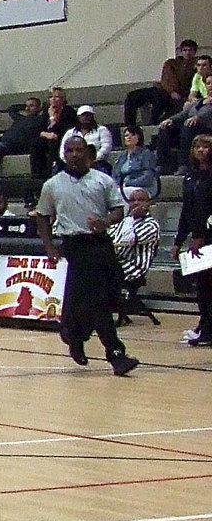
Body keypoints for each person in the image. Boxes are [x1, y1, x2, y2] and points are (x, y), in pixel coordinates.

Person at [34, 135, 138, 375]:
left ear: (87, 153)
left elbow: (118, 210)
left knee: (103, 296)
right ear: (64, 153)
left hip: (100, 244)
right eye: (69, 150)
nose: (74, 154)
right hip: (75, 245)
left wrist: (105, 222)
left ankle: (74, 335)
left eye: (79, 150)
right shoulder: (53, 184)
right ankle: (115, 353)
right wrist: (49, 245)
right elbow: (42, 215)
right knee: (96, 300)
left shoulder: (102, 180)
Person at [172, 134, 212, 346]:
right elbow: (187, 210)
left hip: (209, 237)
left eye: (205, 146)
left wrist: (202, 236)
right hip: (198, 239)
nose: (200, 150)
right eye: (197, 146)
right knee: (203, 287)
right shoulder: (191, 177)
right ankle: (205, 325)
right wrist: (178, 240)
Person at [108, 187, 161, 325]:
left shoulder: (151, 225)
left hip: (133, 266)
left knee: (97, 274)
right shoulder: (123, 222)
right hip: (117, 262)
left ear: (148, 203)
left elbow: (125, 241)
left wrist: (129, 220)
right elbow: (109, 237)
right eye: (132, 200)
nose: (136, 203)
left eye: (141, 200)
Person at [153, 54, 212, 174]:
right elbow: (184, 114)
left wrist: (198, 117)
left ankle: (185, 164)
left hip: (205, 128)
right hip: (189, 127)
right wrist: (171, 120)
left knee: (188, 125)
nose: (210, 86)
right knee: (166, 127)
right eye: (208, 83)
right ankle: (162, 164)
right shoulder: (200, 102)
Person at [123, 40, 199, 128]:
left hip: (179, 96)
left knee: (160, 99)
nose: (187, 53)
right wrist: (171, 91)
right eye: (185, 50)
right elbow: (167, 78)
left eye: (190, 50)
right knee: (132, 96)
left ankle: (153, 123)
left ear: (194, 52)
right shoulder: (171, 63)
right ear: (181, 51)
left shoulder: (197, 66)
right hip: (163, 89)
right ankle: (129, 126)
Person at [31, 87, 78, 178]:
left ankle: (52, 170)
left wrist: (52, 119)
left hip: (62, 138)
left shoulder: (69, 111)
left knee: (54, 142)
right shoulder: (46, 111)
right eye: (51, 97)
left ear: (63, 99)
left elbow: (65, 129)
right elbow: (38, 129)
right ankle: (36, 176)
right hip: (49, 137)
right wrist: (46, 134)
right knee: (35, 144)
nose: (53, 99)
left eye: (56, 97)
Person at [111, 126, 160, 200]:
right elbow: (115, 174)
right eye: (126, 135)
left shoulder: (146, 154)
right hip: (122, 188)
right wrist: (117, 184)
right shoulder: (121, 155)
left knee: (120, 194)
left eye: (132, 135)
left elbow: (148, 177)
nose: (129, 137)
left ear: (139, 137)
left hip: (142, 188)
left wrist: (127, 184)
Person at [60, 106, 113, 173]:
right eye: (83, 115)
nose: (86, 117)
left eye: (89, 115)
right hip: (74, 165)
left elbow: (106, 147)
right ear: (78, 117)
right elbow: (62, 150)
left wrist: (91, 161)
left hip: (97, 164)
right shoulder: (70, 132)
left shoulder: (102, 130)